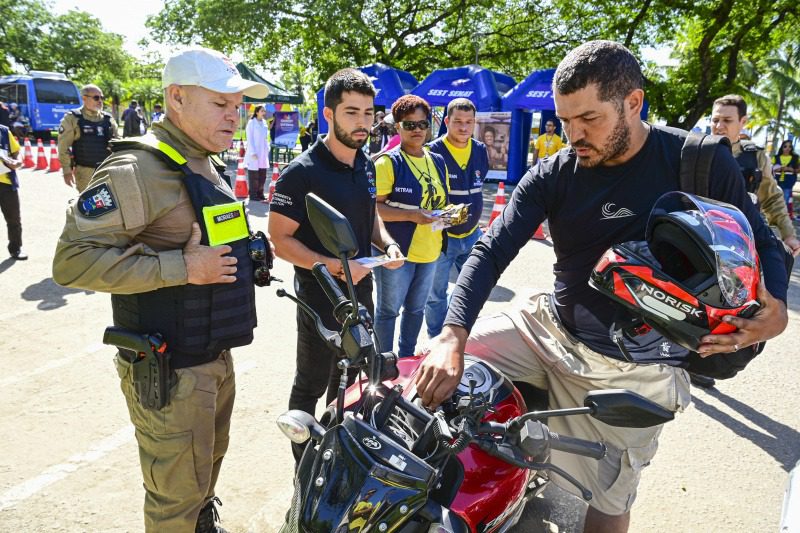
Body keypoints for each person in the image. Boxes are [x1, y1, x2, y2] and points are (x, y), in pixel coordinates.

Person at [415, 41, 789, 533]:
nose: (573, 135)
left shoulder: (697, 161)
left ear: (633, 103)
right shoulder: (553, 173)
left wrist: (778, 309)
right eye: (565, 120)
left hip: (638, 369)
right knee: (425, 378)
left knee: (609, 501)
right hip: (547, 327)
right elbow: (490, 250)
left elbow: (764, 241)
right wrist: (451, 336)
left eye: (588, 119)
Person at [52, 47, 269, 533]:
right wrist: (182, 267)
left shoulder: (200, 159)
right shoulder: (137, 170)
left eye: (237, 106)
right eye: (219, 104)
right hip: (170, 368)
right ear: (177, 98)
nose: (233, 117)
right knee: (175, 500)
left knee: (201, 481)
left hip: (211, 353)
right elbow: (71, 262)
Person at [268, 68, 403, 461]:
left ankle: (336, 451)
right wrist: (334, 267)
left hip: (362, 291)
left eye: (368, 113)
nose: (362, 123)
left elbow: (370, 215)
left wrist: (388, 244)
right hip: (320, 296)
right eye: (351, 113)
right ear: (328, 114)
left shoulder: (366, 164)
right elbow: (280, 241)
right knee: (312, 381)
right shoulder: (301, 173)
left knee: (350, 377)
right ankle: (306, 465)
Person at [374, 94, 448, 358]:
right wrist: (412, 216)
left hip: (430, 250)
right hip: (397, 252)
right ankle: (382, 364)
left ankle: (405, 361)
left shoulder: (437, 160)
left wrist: (451, 215)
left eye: (422, 124)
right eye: (409, 124)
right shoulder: (387, 162)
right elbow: (374, 209)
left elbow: (438, 202)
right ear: (398, 127)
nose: (417, 130)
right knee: (388, 311)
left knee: (416, 310)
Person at [424, 97, 488, 338]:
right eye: (458, 121)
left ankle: (462, 335)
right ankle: (434, 340)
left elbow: (479, 185)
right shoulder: (433, 152)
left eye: (469, 122)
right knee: (435, 295)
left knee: (474, 289)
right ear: (447, 121)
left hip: (472, 236)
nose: (463, 127)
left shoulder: (480, 150)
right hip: (442, 238)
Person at [710, 95, 800, 256]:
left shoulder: (755, 157)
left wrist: (789, 235)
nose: (719, 126)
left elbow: (772, 198)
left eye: (727, 120)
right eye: (715, 120)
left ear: (743, 122)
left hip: (739, 244)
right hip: (699, 238)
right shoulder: (694, 151)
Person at [57, 84, 118, 192]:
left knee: (110, 205)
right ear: (84, 98)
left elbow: (118, 145)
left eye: (101, 98)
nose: (100, 101)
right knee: (89, 205)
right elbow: (63, 147)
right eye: (96, 98)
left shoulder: (109, 120)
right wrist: (67, 171)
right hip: (85, 172)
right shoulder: (72, 118)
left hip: (107, 170)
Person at [0, 123, 26, 260]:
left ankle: (15, 248)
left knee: (14, 218)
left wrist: (17, 162)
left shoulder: (3, 131)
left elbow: (16, 151)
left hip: (6, 183)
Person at [245, 105, 270, 201]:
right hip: (254, 153)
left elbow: (265, 138)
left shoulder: (264, 123)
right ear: (257, 112)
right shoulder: (251, 123)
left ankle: (260, 193)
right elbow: (250, 139)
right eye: (262, 111)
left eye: (264, 111)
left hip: (263, 153)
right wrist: (253, 152)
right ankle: (253, 195)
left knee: (263, 175)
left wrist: (267, 149)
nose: (264, 113)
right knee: (254, 175)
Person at [772, 139, 799, 217]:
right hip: (777, 181)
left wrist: (792, 170)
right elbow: (771, 168)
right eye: (785, 146)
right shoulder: (776, 157)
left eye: (790, 147)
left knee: (786, 198)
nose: (787, 148)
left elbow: (798, 169)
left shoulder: (795, 158)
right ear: (782, 147)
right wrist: (778, 169)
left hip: (789, 181)